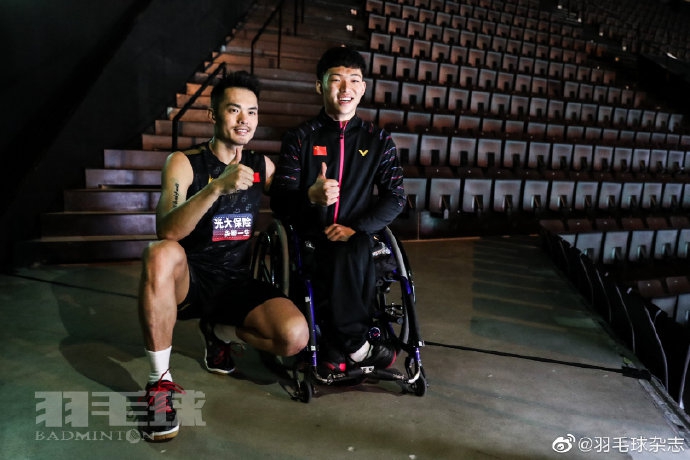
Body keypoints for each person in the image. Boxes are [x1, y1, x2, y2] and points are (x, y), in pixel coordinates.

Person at [137, 71, 309, 442]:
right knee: (160, 252)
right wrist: (215, 188)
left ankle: (218, 332)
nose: (245, 119)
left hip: (236, 282)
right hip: (190, 281)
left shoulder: (262, 166)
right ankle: (158, 384)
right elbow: (166, 229)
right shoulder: (184, 162)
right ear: (214, 115)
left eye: (252, 111)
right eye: (234, 110)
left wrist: (315, 195)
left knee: (294, 337)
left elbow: (292, 203)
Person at [270, 46, 405, 375]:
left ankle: (340, 342)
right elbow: (280, 201)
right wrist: (310, 197)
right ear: (320, 85)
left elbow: (396, 197)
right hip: (310, 237)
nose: (346, 88)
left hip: (359, 236)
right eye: (336, 80)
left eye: (354, 80)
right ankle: (356, 344)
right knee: (340, 251)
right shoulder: (299, 139)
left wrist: (358, 227)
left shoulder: (378, 140)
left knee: (354, 246)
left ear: (363, 87)